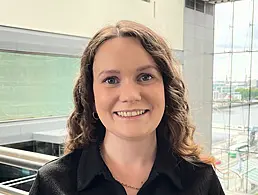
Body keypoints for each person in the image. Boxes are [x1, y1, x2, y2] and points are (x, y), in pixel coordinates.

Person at [29, 20, 225, 195]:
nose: (130, 95)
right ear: (91, 96)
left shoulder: (201, 181)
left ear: (166, 89)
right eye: (111, 80)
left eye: (145, 77)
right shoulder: (53, 184)